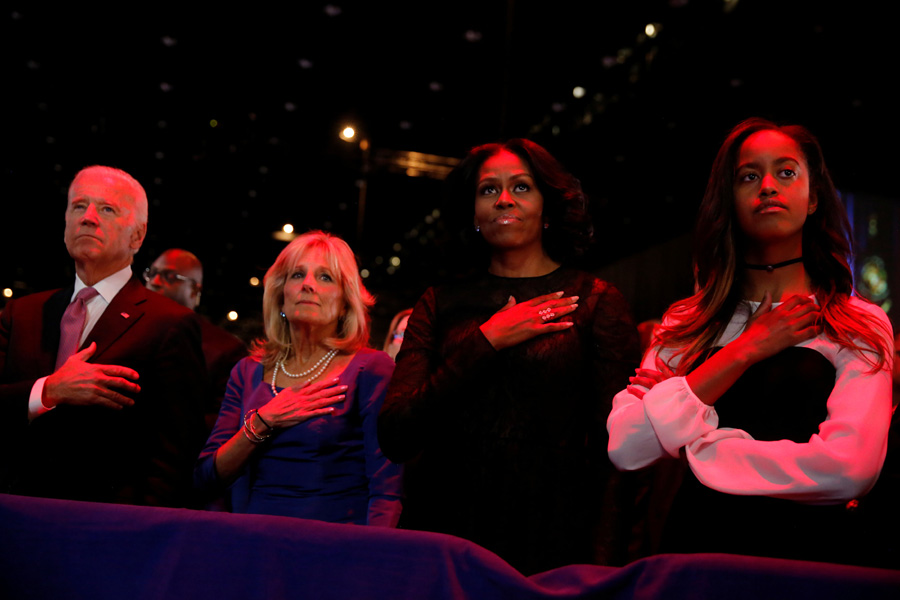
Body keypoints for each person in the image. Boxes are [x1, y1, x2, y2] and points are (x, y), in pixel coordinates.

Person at [607, 118, 894, 564]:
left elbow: (849, 469)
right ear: (730, 199)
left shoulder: (857, 321)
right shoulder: (686, 322)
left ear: (813, 197)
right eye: (749, 176)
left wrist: (699, 448)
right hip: (697, 554)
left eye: (786, 172)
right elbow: (627, 447)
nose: (768, 187)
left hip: (810, 562)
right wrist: (746, 349)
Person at [378, 139, 641, 574]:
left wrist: (605, 570)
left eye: (521, 187)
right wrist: (485, 341)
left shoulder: (594, 300)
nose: (503, 199)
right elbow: (396, 434)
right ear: (473, 214)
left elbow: (615, 457)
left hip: (551, 540)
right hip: (443, 534)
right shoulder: (439, 303)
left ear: (547, 207)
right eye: (488, 189)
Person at [0, 165, 207, 507]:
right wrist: (48, 391)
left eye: (107, 209)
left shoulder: (170, 323)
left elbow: (175, 452)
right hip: (14, 515)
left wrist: (136, 527)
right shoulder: (20, 314)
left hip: (107, 522)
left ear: (137, 236)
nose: (88, 218)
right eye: (79, 206)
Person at [195, 231, 402, 526]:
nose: (308, 284)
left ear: (346, 302)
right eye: (297, 275)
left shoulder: (371, 369)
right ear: (281, 297)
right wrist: (263, 421)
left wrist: (374, 551)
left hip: (334, 542)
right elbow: (206, 476)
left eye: (325, 277)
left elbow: (387, 490)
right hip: (251, 537)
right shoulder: (246, 371)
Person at [145, 248, 247, 431]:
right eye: (152, 273)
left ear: (194, 289)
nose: (155, 281)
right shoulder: (130, 328)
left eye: (169, 276)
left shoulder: (225, 349)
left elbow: (223, 421)